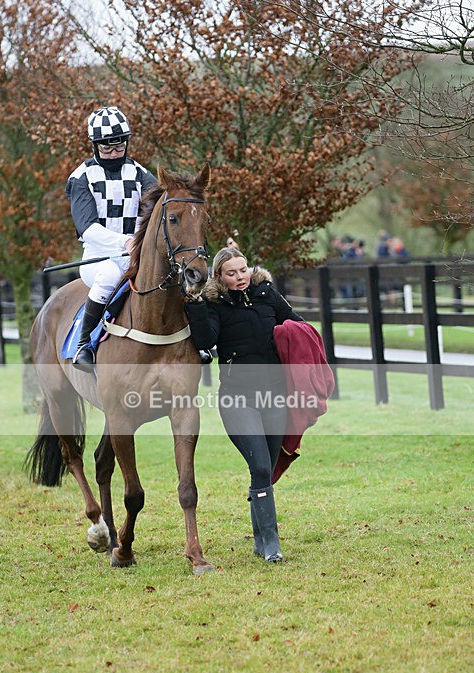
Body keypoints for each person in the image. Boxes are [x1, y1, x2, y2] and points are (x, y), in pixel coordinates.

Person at [184, 246, 305, 562]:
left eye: (243, 270)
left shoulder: (267, 293)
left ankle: (260, 540)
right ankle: (272, 545)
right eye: (231, 273)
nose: (239, 277)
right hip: (238, 398)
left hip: (275, 395)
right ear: (220, 277)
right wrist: (195, 303)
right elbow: (205, 340)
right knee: (261, 465)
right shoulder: (214, 304)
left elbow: (297, 325)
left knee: (264, 469)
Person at [65, 106, 157, 369]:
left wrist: (140, 242)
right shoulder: (81, 177)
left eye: (119, 147)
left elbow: (154, 212)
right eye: (106, 149)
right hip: (97, 257)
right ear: (95, 146)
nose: (114, 153)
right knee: (108, 277)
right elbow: (87, 228)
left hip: (133, 254)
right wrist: (125, 242)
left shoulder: (141, 174)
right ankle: (84, 345)